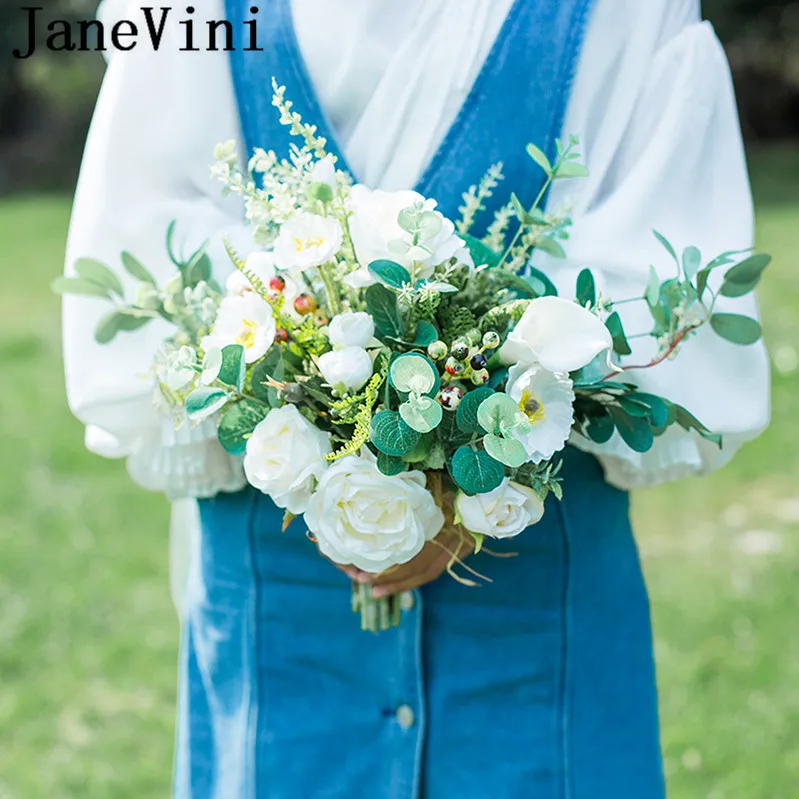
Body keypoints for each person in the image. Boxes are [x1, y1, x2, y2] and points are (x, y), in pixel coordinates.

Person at [62, 0, 770, 796]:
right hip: (282, 613)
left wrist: (463, 476)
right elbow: (142, 253)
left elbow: (658, 281)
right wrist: (309, 436)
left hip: (530, 615)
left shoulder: (630, 16)